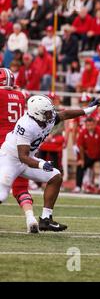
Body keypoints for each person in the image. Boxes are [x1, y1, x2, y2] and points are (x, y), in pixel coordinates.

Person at [0, 93, 100, 231]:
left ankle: (46, 219)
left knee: (55, 176)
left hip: (27, 159)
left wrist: (87, 110)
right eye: (47, 112)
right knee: (2, 195)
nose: (51, 114)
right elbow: (22, 156)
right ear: (37, 113)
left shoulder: (45, 118)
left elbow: (64, 115)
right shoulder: (26, 125)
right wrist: (42, 164)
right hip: (10, 159)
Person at [0, 68, 37, 233]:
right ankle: (30, 218)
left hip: (3, 145)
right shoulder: (22, 95)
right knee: (21, 187)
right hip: (20, 145)